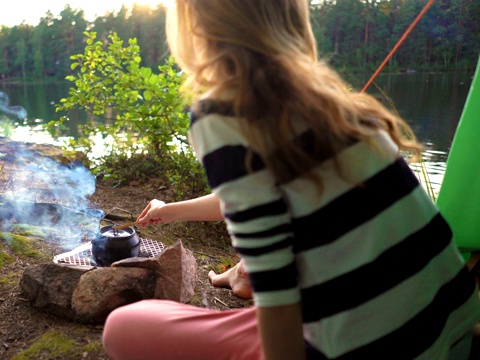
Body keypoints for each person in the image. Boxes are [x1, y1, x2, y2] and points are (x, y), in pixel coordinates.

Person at [102, 1, 480, 359]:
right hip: (453, 324)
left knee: (123, 325)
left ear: (196, 23)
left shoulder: (222, 114)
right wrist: (170, 211)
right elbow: (254, 198)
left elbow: (276, 296)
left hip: (376, 346)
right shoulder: (333, 101)